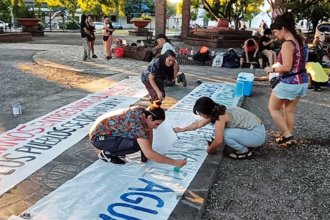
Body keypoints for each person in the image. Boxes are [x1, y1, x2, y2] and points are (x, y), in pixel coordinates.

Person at [89, 105, 187, 167]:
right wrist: (175, 163)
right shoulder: (137, 125)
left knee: (142, 143)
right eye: (156, 124)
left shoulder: (142, 111)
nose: (156, 127)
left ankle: (115, 148)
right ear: (150, 118)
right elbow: (149, 153)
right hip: (98, 138)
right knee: (136, 144)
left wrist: (147, 150)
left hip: (104, 132)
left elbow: (149, 131)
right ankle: (107, 153)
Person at [264, 12, 309, 147]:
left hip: (289, 82)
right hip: (302, 81)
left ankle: (287, 136)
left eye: (276, 31)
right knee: (289, 110)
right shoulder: (301, 40)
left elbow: (287, 67)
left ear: (283, 28)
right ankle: (288, 136)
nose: (275, 35)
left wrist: (270, 69)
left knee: (273, 108)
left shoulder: (287, 44)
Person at [173, 97, 266, 160]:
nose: (200, 116)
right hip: (257, 130)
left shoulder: (220, 117)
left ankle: (244, 152)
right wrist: (182, 129)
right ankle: (246, 145)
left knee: (223, 134)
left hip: (257, 135)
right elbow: (198, 124)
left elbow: (218, 140)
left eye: (201, 113)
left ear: (207, 111)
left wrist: (209, 150)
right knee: (219, 132)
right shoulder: (217, 109)